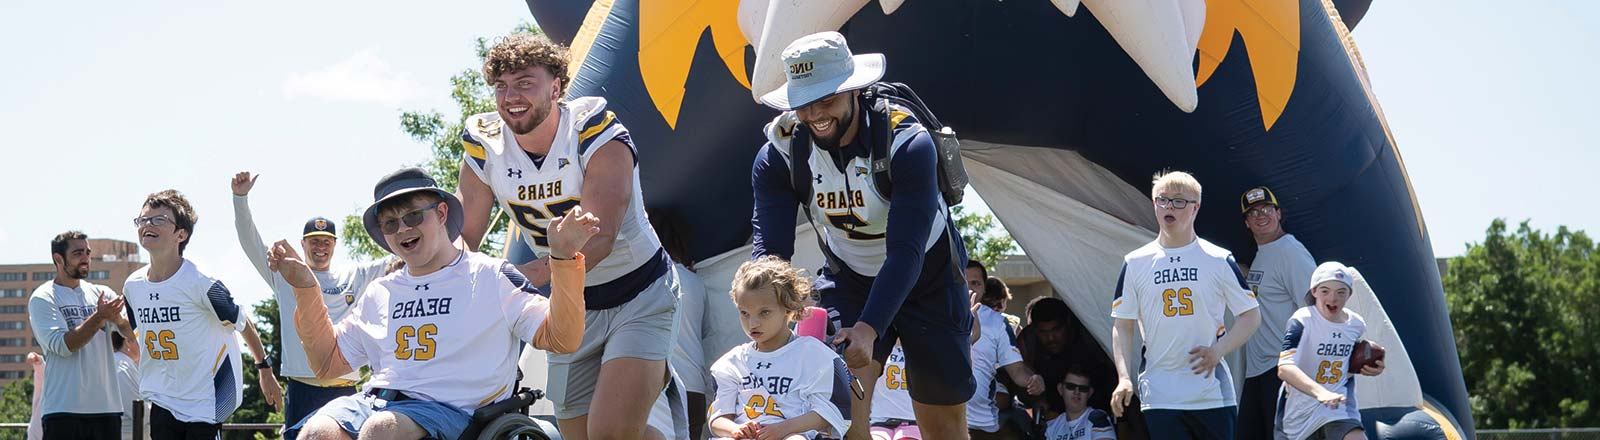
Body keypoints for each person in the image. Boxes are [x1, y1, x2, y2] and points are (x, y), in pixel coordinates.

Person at [455, 32, 679, 439]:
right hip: (571, 304)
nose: (511, 96)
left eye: (525, 82)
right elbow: (464, 238)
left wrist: (519, 279)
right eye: (501, 86)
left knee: (609, 432)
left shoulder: (594, 130)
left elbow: (599, 237)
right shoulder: (484, 144)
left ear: (556, 86)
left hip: (638, 292)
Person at [750, 31, 974, 439]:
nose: (816, 112)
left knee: (943, 426)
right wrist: (764, 308)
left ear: (854, 90)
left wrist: (871, 328)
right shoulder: (780, 151)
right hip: (849, 277)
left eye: (827, 98)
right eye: (804, 102)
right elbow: (771, 255)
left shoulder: (908, 140)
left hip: (929, 275)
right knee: (842, 417)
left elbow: (906, 250)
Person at [282, 167, 596, 440]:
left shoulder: (489, 275)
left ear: (442, 214)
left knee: (381, 430)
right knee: (316, 432)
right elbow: (327, 364)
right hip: (375, 403)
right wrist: (306, 288)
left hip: (453, 413)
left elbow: (561, 338)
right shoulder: (380, 291)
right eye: (390, 224)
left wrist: (564, 259)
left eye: (413, 216)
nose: (403, 229)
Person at [230, 171, 391, 437]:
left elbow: (403, 252)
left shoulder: (355, 276)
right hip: (302, 388)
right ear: (302, 243)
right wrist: (240, 198)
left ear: (335, 245)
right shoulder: (285, 274)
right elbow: (250, 242)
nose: (320, 247)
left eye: (326, 242)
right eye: (314, 241)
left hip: (345, 389)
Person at [1108, 171, 1262, 439]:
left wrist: (1218, 351)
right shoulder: (1135, 262)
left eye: (1179, 201)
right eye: (1162, 200)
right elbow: (1123, 324)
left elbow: (1250, 315)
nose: (1169, 207)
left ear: (1196, 207)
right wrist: (1124, 377)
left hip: (1211, 393)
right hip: (1161, 393)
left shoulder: (1218, 258)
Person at [121, 190, 282, 440]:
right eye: (143, 220)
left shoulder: (202, 282)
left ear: (181, 234)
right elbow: (138, 334)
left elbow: (242, 322)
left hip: (206, 400)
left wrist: (264, 368)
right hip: (162, 398)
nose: (148, 225)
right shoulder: (132, 286)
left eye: (159, 220)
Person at [709, 256, 847, 440]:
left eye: (764, 312)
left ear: (788, 309)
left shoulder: (814, 354)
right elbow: (718, 418)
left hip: (796, 435)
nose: (753, 323)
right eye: (744, 313)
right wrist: (735, 430)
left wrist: (783, 429)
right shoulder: (731, 362)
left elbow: (829, 412)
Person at [28, 231, 136, 440]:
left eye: (87, 252)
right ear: (58, 259)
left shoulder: (102, 293)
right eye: (78, 253)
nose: (86, 258)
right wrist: (99, 317)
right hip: (63, 412)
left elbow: (131, 334)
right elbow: (63, 346)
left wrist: (118, 320)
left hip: (107, 410)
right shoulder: (43, 297)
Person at [1235, 186, 1316, 440]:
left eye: (1267, 209)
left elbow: (1314, 308)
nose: (1261, 216)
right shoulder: (1264, 255)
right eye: (1253, 212)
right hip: (1258, 370)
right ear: (1247, 223)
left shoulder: (1290, 251)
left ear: (1279, 213)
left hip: (1282, 369)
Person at [1275, 262, 1385, 440]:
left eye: (1341, 292)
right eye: (1325, 291)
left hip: (1338, 407)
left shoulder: (1356, 324)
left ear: (1349, 294)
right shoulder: (1302, 320)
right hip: (1298, 412)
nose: (1333, 298)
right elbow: (1284, 368)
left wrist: (1373, 367)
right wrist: (1321, 393)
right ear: (1314, 292)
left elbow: (1347, 364)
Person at [1041, 368, 1115, 440]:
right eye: (1071, 386)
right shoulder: (1051, 426)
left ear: (1089, 393)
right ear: (1060, 389)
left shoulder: (1097, 418)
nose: (1077, 392)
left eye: (1083, 388)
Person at [112, 332, 145, 440]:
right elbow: (136, 411)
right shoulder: (122, 366)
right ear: (127, 341)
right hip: (128, 434)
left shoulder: (124, 363)